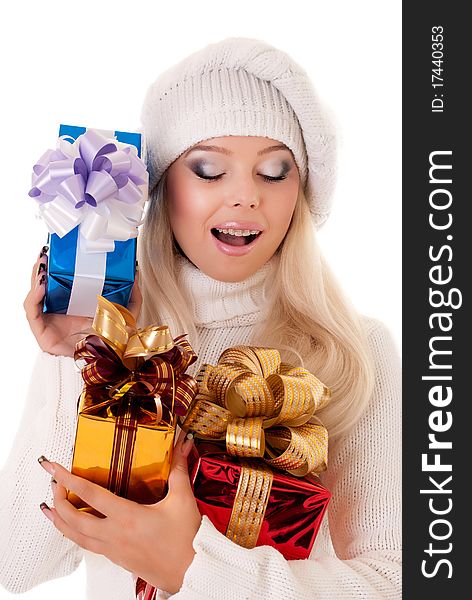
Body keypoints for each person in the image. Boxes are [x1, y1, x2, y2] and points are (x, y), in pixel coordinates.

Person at [0, 37, 401, 599]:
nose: (244, 197)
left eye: (274, 171)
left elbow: (395, 582)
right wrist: (87, 360)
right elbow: (16, 564)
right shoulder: (119, 340)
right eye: (209, 170)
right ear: (163, 190)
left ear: (301, 195)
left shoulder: (354, 350)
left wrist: (193, 569)